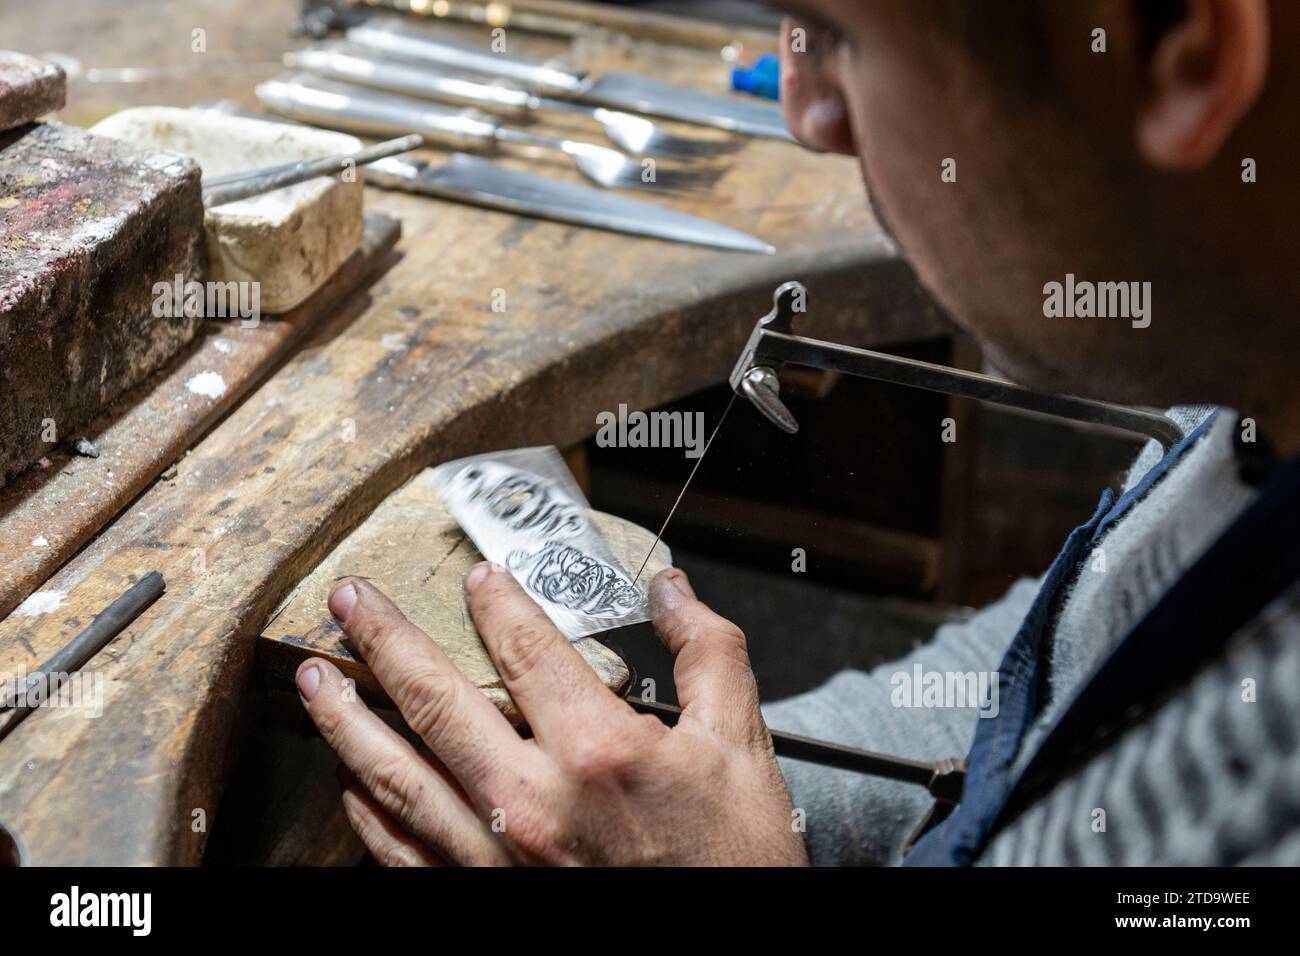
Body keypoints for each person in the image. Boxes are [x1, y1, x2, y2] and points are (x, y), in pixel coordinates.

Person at [292, 0, 1300, 865]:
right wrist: (711, 801)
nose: (803, 112)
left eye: (832, 31)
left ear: (1184, 44)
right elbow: (1057, 680)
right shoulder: (1252, 391)